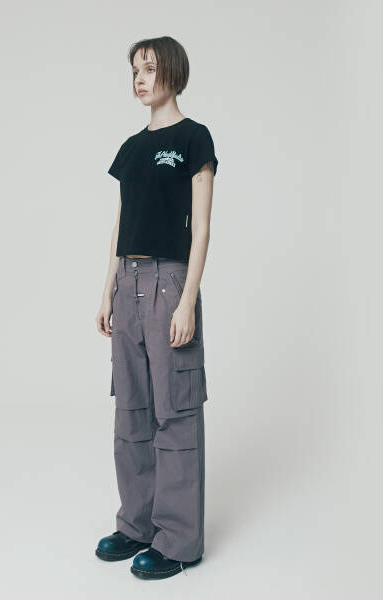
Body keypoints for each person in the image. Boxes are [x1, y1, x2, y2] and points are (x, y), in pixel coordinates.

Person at [94, 36, 218, 580]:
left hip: (170, 282)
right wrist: (107, 288)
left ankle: (179, 540)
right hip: (129, 281)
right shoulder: (130, 148)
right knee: (131, 409)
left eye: (148, 68)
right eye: (134, 71)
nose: (140, 78)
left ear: (172, 72)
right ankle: (137, 524)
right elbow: (122, 222)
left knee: (174, 409)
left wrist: (187, 299)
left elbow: (203, 228)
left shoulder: (194, 138)